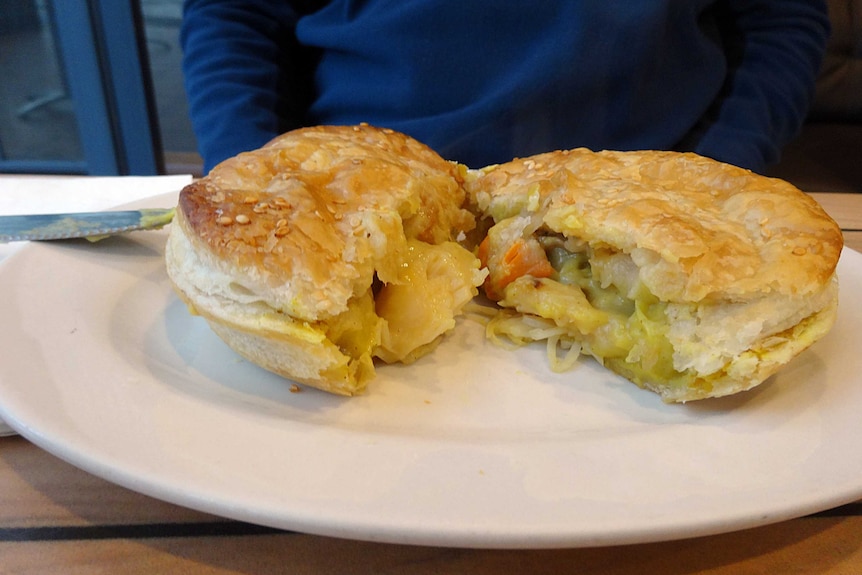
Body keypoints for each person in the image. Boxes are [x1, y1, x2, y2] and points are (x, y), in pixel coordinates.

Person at [180, 1, 830, 175]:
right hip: (357, 193)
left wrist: (714, 175)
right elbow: (236, 13)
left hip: (647, 195)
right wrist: (247, 174)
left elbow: (780, 20)